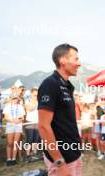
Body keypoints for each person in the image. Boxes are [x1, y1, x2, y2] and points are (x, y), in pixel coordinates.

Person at [38, 43, 82, 176]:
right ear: (63, 60)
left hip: (74, 155)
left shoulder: (67, 85)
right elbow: (43, 126)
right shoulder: (50, 84)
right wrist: (59, 162)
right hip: (62, 160)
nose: (79, 63)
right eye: (76, 59)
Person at [3, 94, 25, 166]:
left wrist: (19, 120)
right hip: (10, 125)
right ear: (10, 99)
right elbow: (5, 117)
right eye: (13, 98)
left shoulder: (20, 106)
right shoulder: (7, 106)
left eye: (16, 98)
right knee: (9, 142)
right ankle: (8, 159)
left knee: (16, 142)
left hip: (18, 125)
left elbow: (22, 117)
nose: (15, 100)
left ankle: (14, 158)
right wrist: (12, 120)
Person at [25, 88, 40, 162]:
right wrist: (35, 101)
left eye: (37, 95)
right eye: (35, 95)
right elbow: (30, 109)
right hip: (30, 122)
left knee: (36, 139)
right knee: (29, 139)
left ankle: (34, 153)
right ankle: (28, 154)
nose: (36, 96)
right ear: (31, 94)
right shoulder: (28, 100)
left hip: (37, 122)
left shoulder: (39, 101)